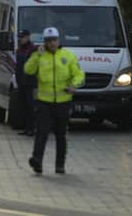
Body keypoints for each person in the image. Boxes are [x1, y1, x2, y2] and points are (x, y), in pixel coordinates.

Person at [25, 27, 84, 175]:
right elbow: (28, 70)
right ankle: (37, 161)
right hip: (44, 101)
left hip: (63, 102)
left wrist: (74, 85)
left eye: (54, 40)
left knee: (60, 134)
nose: (51, 43)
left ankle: (60, 164)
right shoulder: (38, 55)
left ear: (58, 40)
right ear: (44, 42)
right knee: (42, 132)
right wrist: (36, 56)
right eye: (48, 41)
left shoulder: (68, 56)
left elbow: (79, 74)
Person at [15, 30, 38, 136]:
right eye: (19, 37)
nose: (21, 39)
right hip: (21, 82)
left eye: (23, 37)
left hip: (30, 83)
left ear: (28, 37)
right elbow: (18, 66)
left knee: (31, 106)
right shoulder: (19, 50)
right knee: (23, 106)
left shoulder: (33, 49)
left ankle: (32, 128)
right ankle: (26, 128)